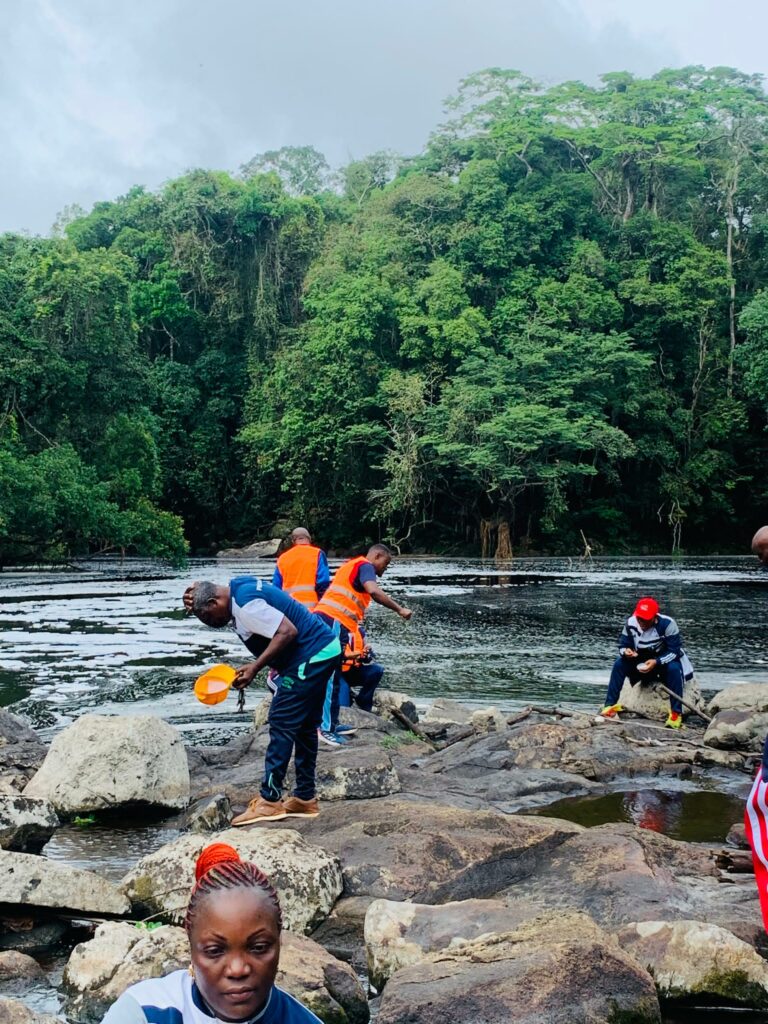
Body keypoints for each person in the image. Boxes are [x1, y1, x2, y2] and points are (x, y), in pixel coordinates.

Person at [101, 842, 322, 1024]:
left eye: (258, 948)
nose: (238, 970)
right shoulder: (146, 1013)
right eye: (215, 951)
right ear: (191, 946)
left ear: (279, 942)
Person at [185, 578, 341, 824]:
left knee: (281, 720)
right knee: (304, 726)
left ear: (215, 602)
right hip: (322, 649)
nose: (211, 624)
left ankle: (270, 801)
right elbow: (204, 589)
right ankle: (304, 798)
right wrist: (194, 595)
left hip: (311, 654)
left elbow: (287, 631)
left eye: (207, 617)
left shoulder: (246, 605)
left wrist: (255, 667)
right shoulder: (237, 587)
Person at [313, 544, 412, 747]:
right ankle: (323, 728)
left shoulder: (352, 565)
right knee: (330, 677)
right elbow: (374, 591)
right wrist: (399, 609)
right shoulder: (365, 565)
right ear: (377, 555)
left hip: (331, 622)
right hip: (332, 621)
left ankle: (330, 724)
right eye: (385, 564)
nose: (384, 571)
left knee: (332, 676)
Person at [599, 596, 693, 729]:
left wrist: (656, 661)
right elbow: (623, 645)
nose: (642, 622)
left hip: (662, 663)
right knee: (619, 664)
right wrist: (626, 652)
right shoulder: (631, 623)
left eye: (646, 619)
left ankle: (676, 713)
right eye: (639, 618)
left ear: (654, 617)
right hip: (641, 661)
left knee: (674, 669)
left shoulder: (668, 624)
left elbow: (674, 651)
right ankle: (609, 706)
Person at [272, 527, 330, 608]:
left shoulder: (282, 558)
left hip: (289, 609)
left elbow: (276, 589)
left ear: (293, 541)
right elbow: (323, 583)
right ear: (309, 539)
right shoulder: (318, 554)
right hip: (312, 609)